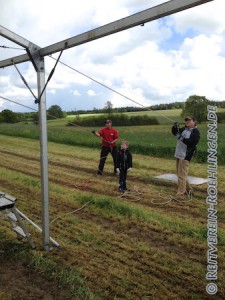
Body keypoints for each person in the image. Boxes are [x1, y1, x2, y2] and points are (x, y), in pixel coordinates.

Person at [171, 116, 200, 200]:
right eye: (186, 120)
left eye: (189, 120)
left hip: (186, 155)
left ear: (194, 122)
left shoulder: (195, 132)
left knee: (181, 175)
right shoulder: (184, 129)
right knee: (181, 174)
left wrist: (181, 137)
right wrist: (175, 127)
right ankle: (189, 191)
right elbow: (175, 133)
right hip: (178, 154)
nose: (187, 121)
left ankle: (180, 195)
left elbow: (192, 143)